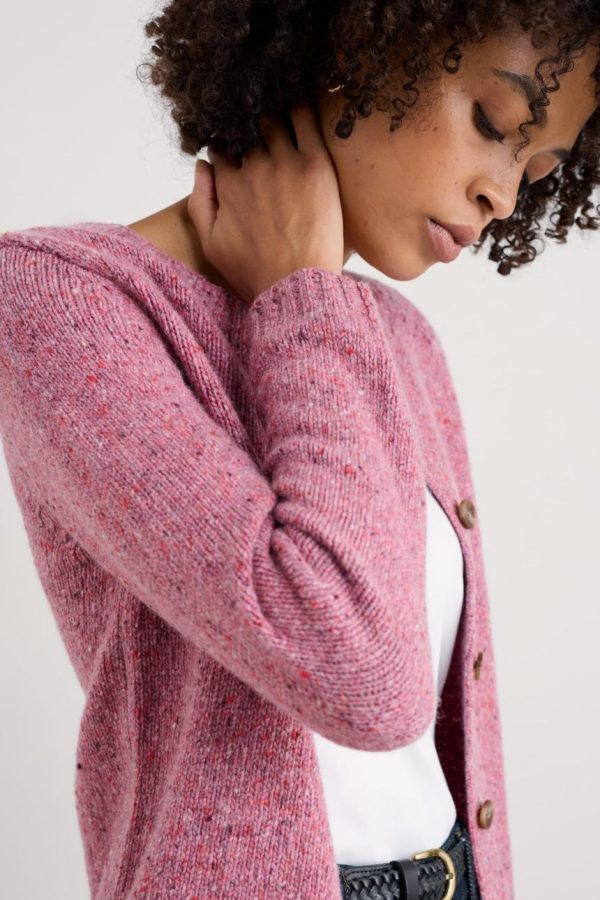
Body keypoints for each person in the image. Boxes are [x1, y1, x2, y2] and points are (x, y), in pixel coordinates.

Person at [0, 3, 598, 898]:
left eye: (539, 168)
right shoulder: (61, 306)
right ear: (357, 46)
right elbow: (356, 672)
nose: (505, 197)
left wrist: (310, 299)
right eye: (492, 122)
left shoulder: (395, 343)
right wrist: (305, 290)